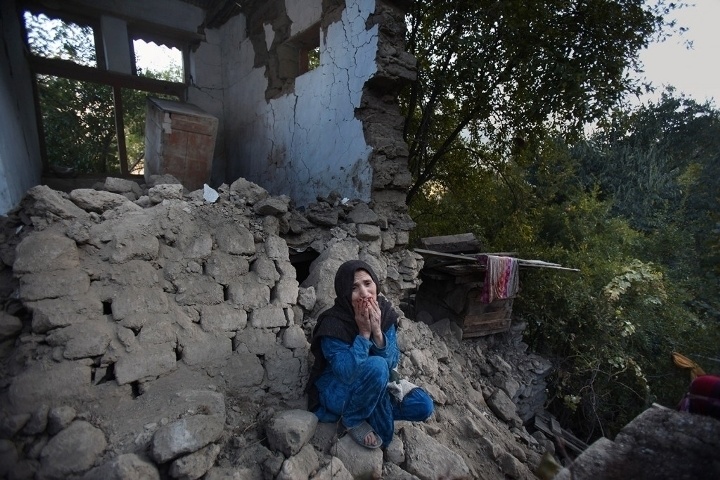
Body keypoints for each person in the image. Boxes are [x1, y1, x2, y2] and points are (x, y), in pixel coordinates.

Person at [306, 260, 434, 449]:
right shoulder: (332, 323)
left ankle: (370, 407)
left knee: (423, 405)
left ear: (375, 284)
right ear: (344, 293)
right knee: (377, 367)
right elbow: (345, 372)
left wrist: (377, 333)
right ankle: (352, 419)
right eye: (354, 288)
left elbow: (392, 363)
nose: (364, 294)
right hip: (340, 389)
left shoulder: (384, 312)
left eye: (367, 284)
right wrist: (364, 334)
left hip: (379, 383)